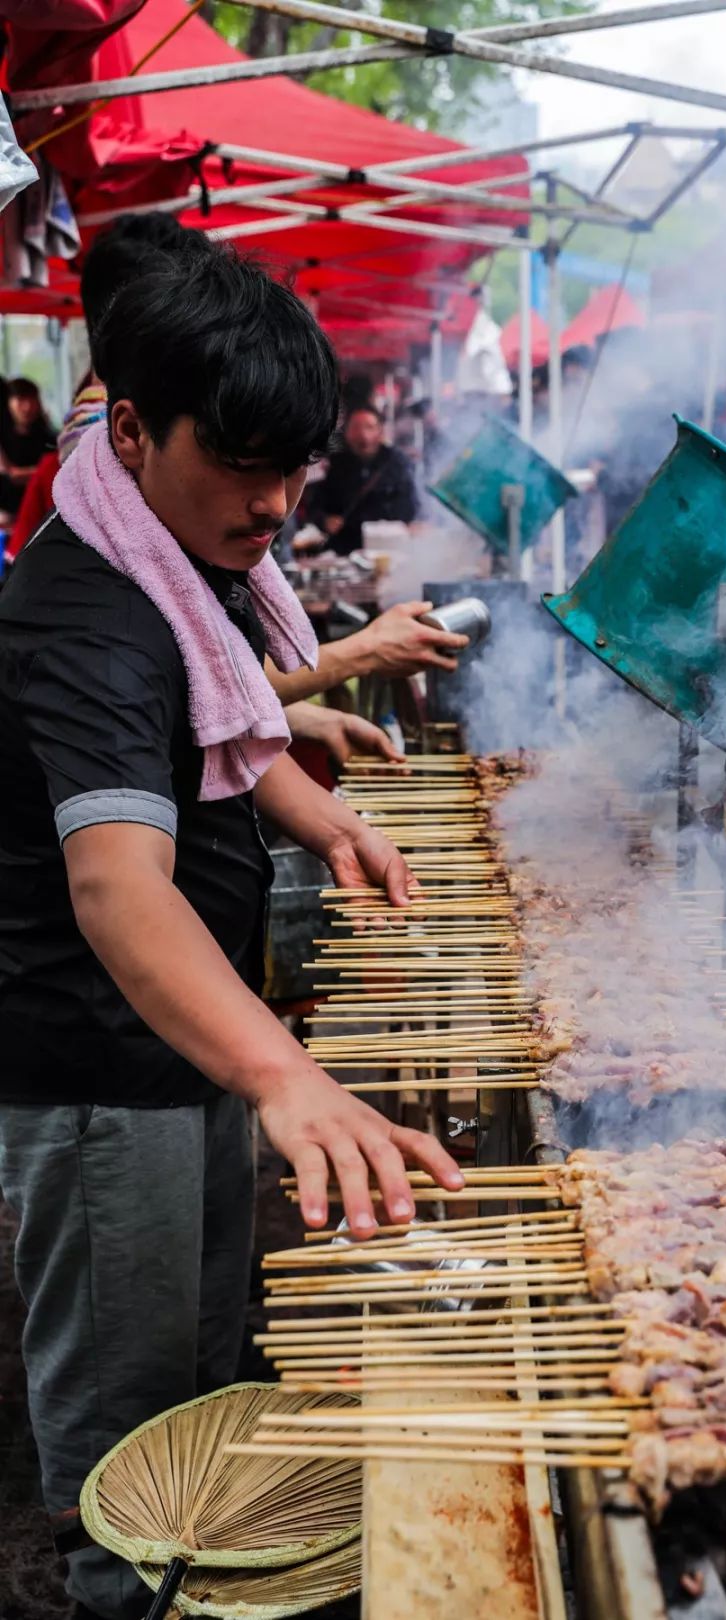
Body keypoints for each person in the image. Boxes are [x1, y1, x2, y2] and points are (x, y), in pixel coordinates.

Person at [0, 246, 463, 1620]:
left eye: (297, 467)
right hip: (100, 1067)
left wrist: (325, 825)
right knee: (125, 1430)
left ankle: (200, 1581)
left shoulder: (169, 543)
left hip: (183, 1041)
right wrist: (286, 1076)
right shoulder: (83, 615)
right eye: (243, 463)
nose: (273, 503)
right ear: (130, 429)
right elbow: (118, 885)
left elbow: (216, 723)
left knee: (207, 1365)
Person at [306, 402, 419, 553]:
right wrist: (324, 521)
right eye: (356, 427)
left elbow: (412, 506)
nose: (363, 435)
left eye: (369, 427)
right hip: (344, 551)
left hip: (389, 549)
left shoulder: (397, 462)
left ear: (380, 431)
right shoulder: (333, 464)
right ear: (346, 432)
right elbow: (314, 506)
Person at [0, 377, 56, 516]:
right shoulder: (3, 438)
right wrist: (42, 472)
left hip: (40, 513)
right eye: (20, 400)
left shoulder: (47, 438)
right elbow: (10, 474)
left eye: (32, 400)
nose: (27, 407)